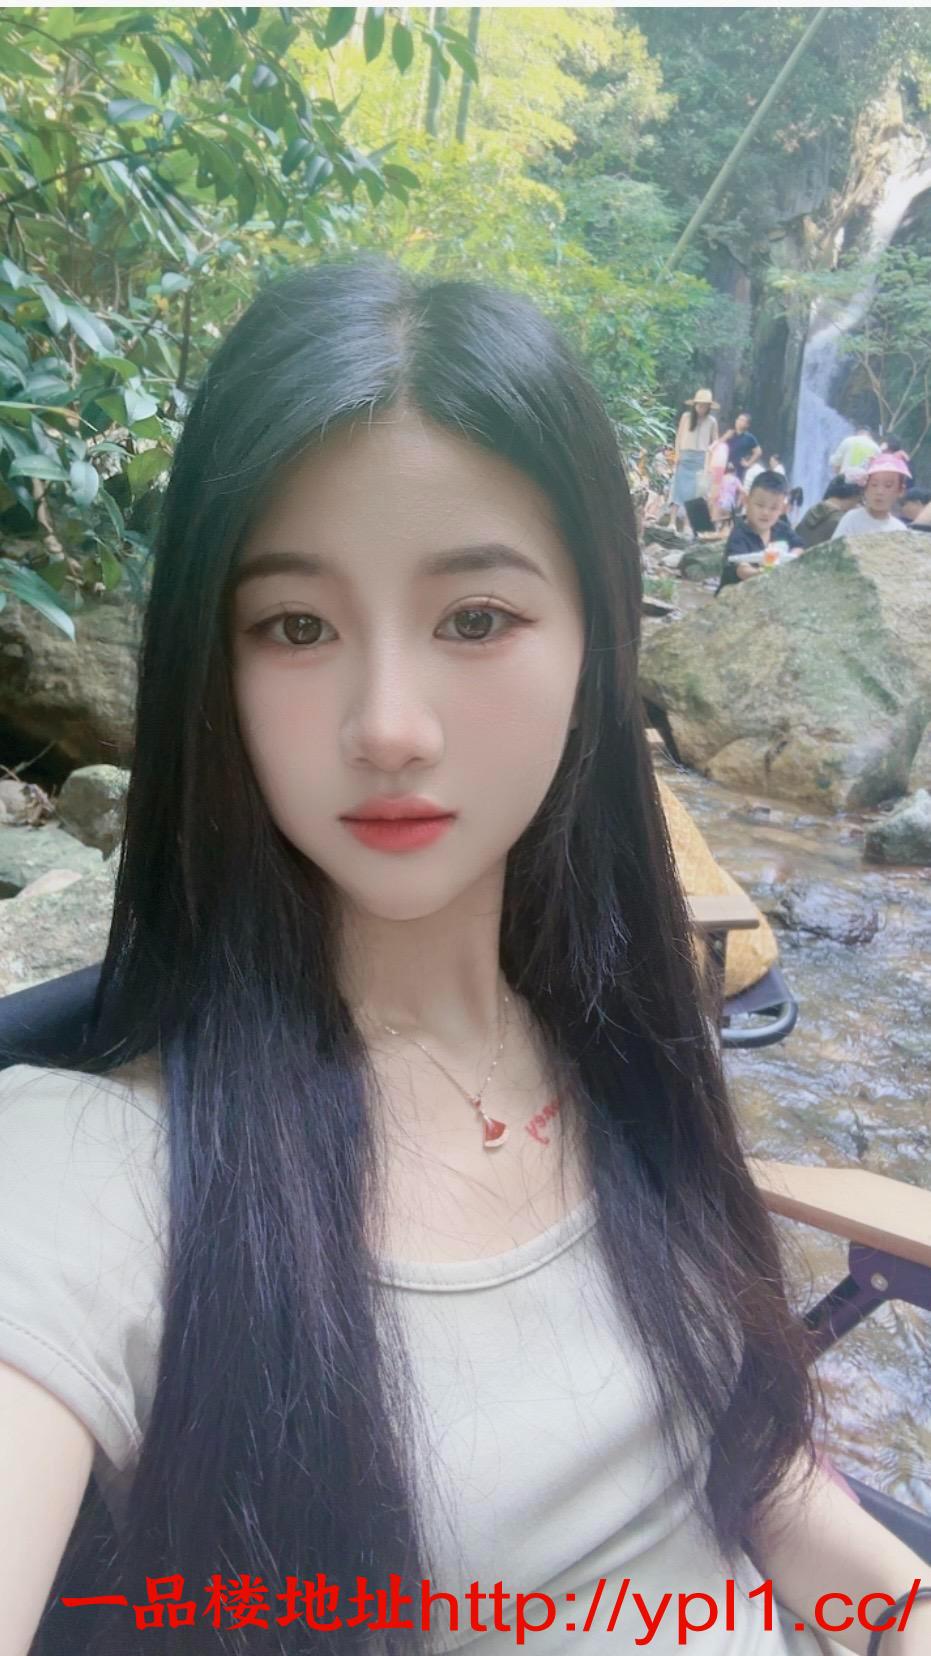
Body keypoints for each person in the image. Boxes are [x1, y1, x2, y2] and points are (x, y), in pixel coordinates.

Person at [1, 259, 928, 1656]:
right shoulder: (95, 1175)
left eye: (475, 619)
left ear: (596, 647)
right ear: (212, 666)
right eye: (296, 627)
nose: (388, 725)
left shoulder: (620, 1032)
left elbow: (760, 1477)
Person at [716, 469, 803, 593]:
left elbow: (799, 546)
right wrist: (762, 573)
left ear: (782, 509)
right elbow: (741, 569)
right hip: (734, 595)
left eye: (773, 508)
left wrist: (790, 558)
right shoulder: (740, 534)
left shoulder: (782, 528)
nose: (766, 512)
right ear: (746, 501)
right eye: (760, 505)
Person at [831, 450, 912, 538]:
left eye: (888, 486)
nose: (879, 491)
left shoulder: (899, 530)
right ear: (865, 486)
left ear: (900, 490)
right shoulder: (852, 519)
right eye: (874, 485)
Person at [670, 388, 719, 519]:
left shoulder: (712, 421)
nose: (702, 408)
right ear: (695, 405)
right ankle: (672, 522)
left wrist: (710, 458)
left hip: (701, 458)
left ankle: (688, 524)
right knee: (678, 490)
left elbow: (715, 441)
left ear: (709, 407)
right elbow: (679, 437)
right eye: (700, 405)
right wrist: (677, 454)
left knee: (695, 493)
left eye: (705, 406)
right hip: (685, 456)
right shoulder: (686, 417)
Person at [794, 478, 862, 549]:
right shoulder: (842, 521)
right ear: (854, 497)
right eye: (859, 501)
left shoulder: (811, 511)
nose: (858, 506)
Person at [721, 410, 761, 478]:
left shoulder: (749, 437)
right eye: (738, 419)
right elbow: (717, 445)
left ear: (747, 425)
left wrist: (748, 463)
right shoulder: (730, 433)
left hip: (738, 470)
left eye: (742, 420)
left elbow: (758, 452)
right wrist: (725, 437)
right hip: (724, 466)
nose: (738, 421)